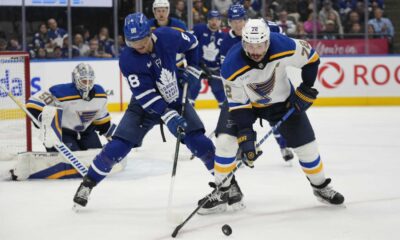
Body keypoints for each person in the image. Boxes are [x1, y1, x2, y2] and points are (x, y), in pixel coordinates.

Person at [199, 19, 345, 214]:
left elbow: (311, 59)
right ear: (244, 43)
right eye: (250, 46)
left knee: (308, 148)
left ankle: (320, 187)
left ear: (267, 41)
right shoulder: (231, 65)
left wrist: (306, 88)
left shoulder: (283, 45)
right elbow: (238, 105)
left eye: (259, 46)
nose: (255, 51)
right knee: (225, 142)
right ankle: (221, 191)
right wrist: (246, 136)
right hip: (245, 105)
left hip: (281, 103)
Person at [72, 13, 216, 209]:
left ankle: (227, 186)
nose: (138, 48)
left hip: (173, 97)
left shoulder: (168, 36)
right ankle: (87, 184)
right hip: (143, 106)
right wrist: (167, 115)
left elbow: (192, 43)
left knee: (200, 142)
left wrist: (192, 69)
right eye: (133, 44)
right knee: (118, 147)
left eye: (142, 42)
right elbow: (146, 95)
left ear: (150, 33)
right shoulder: (128, 60)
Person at [221, 4, 293, 164]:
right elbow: (226, 70)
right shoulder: (225, 40)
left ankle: (284, 147)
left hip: (266, 83)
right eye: (233, 21)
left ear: (245, 20)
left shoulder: (262, 29)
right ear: (229, 22)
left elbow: (281, 39)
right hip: (244, 87)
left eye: (239, 20)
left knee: (274, 117)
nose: (237, 24)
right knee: (241, 119)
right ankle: (246, 148)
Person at [26, 63, 114, 152]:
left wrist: (113, 138)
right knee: (70, 160)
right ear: (76, 79)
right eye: (84, 81)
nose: (87, 85)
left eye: (89, 81)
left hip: (86, 132)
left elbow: (103, 121)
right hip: (63, 133)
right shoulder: (61, 92)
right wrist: (44, 122)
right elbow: (33, 103)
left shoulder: (100, 94)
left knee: (97, 156)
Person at [191, 10, 226, 107]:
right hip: (198, 66)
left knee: (218, 90)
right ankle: (188, 111)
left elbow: (224, 54)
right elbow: (190, 45)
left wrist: (221, 68)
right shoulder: (199, 29)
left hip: (215, 69)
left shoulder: (223, 36)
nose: (214, 22)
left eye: (217, 19)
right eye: (211, 19)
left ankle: (227, 117)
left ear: (220, 21)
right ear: (208, 20)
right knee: (193, 87)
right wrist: (196, 62)